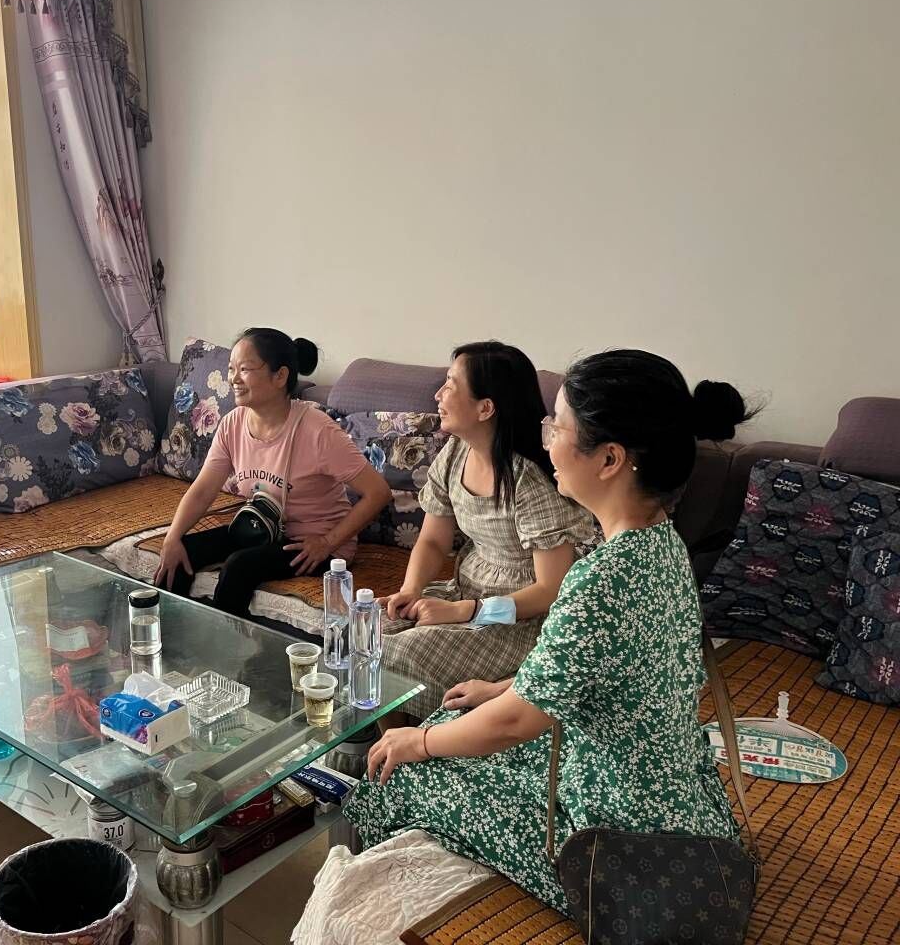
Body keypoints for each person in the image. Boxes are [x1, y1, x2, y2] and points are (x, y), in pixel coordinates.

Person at [343, 348, 754, 915]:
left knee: (399, 774)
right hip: (668, 785)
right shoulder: (661, 545)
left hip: (614, 823)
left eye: (556, 426)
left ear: (609, 459)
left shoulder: (599, 578)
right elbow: (600, 670)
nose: (546, 440)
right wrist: (503, 687)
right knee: (454, 719)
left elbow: (516, 722)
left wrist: (417, 742)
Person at [378, 342, 595, 719]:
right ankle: (379, 745)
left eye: (450, 385)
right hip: (467, 589)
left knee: (398, 655)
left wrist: (467, 611)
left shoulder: (528, 480)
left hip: (519, 616)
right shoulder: (454, 453)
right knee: (366, 629)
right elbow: (432, 540)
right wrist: (411, 590)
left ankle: (410, 746)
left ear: (485, 408)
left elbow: (551, 590)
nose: (438, 395)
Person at [154, 328, 391, 616]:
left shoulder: (317, 431)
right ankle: (169, 636)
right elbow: (203, 489)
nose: (234, 378)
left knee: (240, 566)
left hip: (314, 544)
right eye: (231, 369)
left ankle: (225, 643)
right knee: (181, 552)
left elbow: (378, 492)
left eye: (245, 369)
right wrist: (172, 537)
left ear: (280, 376)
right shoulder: (233, 424)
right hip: (262, 529)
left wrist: (328, 542)